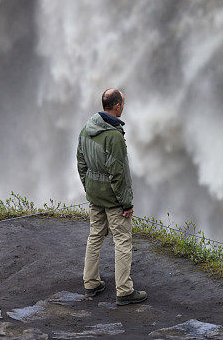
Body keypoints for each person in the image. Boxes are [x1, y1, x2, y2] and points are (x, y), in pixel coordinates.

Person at [76, 88, 147, 306]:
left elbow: (81, 163)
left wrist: (89, 187)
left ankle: (90, 282)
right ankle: (124, 290)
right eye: (122, 104)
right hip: (114, 199)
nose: (123, 107)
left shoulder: (86, 130)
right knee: (123, 240)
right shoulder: (114, 136)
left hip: (95, 195)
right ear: (116, 106)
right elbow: (119, 173)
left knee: (95, 236)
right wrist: (126, 203)